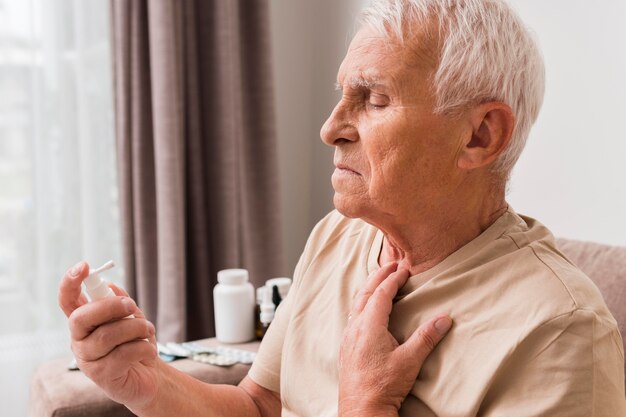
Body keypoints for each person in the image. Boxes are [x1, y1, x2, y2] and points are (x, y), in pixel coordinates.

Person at [58, 0, 626, 416]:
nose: (330, 128)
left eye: (374, 99)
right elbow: (259, 405)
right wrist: (147, 382)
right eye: (341, 96)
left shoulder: (559, 332)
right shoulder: (337, 236)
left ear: (480, 135)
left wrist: (366, 408)